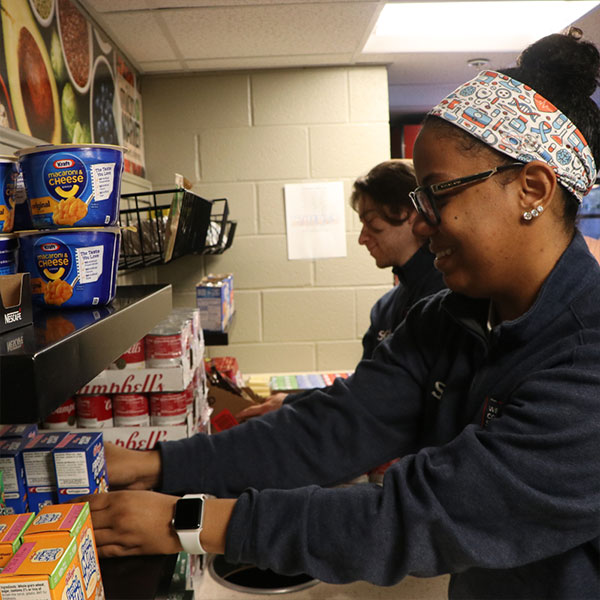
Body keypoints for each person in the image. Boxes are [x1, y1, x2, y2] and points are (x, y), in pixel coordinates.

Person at [84, 30, 600, 600]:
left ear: (532, 188)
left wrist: (190, 521)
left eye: (437, 194)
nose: (422, 224)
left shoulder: (588, 362)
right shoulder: (446, 320)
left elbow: (419, 514)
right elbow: (332, 429)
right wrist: (156, 465)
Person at [237, 159, 445, 421]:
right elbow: (364, 388)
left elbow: (398, 400)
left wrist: (295, 403)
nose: (362, 238)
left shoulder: (444, 298)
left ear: (412, 216)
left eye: (373, 224)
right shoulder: (386, 307)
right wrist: (293, 402)